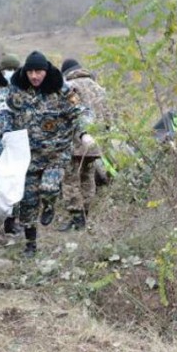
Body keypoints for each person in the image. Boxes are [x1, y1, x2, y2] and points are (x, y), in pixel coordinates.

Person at [0, 51, 93, 257]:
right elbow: (5, 112)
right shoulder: (18, 90)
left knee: (48, 188)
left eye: (38, 71)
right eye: (30, 71)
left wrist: (84, 133)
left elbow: (81, 112)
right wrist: (4, 130)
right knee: (28, 203)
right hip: (28, 155)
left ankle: (49, 203)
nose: (34, 76)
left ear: (46, 71)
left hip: (56, 154)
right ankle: (30, 244)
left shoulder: (62, 90)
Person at [57, 58, 107, 232]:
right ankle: (85, 214)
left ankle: (76, 218)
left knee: (70, 179)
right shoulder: (98, 87)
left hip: (75, 141)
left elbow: (66, 115)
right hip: (95, 141)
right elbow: (108, 117)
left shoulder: (69, 87)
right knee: (87, 177)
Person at [0, 53, 24, 236]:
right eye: (8, 70)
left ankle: (11, 222)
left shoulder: (20, 90)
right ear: (1, 71)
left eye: (14, 70)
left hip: (11, 143)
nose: (11, 73)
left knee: (13, 181)